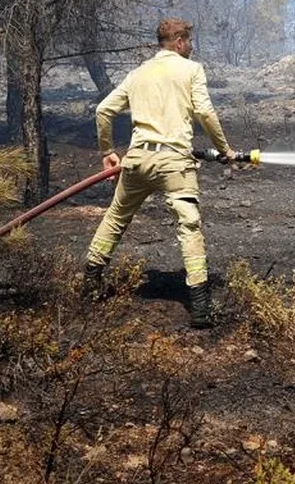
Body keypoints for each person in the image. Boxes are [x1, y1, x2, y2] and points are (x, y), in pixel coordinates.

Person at [82, 18, 237, 328]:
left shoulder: (138, 74)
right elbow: (205, 112)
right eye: (189, 42)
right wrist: (225, 149)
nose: (191, 47)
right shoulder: (191, 70)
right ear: (179, 42)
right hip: (174, 163)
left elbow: (103, 110)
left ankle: (90, 285)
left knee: (116, 217)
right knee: (189, 226)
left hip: (138, 160)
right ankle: (200, 306)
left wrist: (107, 151)